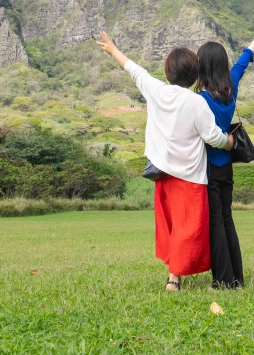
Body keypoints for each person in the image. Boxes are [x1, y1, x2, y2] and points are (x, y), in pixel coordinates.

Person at [95, 32, 234, 291]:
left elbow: (135, 70)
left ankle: (174, 278)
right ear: (195, 75)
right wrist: (232, 143)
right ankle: (175, 277)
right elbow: (213, 137)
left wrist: (113, 50)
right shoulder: (196, 102)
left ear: (168, 72)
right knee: (188, 228)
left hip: (161, 174)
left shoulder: (156, 91)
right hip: (190, 177)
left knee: (170, 226)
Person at [196, 19, 254, 289]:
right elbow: (244, 60)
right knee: (228, 220)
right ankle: (237, 279)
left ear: (202, 67)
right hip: (227, 167)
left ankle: (222, 280)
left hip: (209, 168)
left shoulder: (201, 100)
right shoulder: (230, 88)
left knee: (215, 224)